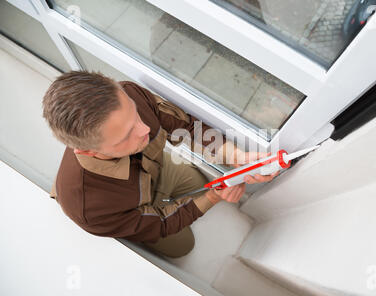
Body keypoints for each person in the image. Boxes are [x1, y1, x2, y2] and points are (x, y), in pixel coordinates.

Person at [43, 71, 278, 258]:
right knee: (183, 247)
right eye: (126, 136)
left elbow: (185, 127)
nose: (145, 129)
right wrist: (215, 198)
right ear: (88, 151)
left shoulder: (128, 95)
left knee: (199, 183)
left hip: (157, 172)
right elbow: (161, 224)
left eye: (135, 114)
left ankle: (169, 194)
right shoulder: (90, 210)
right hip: (128, 208)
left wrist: (236, 156)